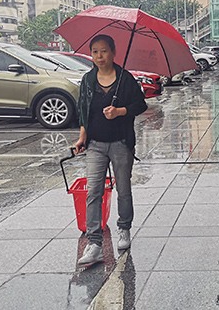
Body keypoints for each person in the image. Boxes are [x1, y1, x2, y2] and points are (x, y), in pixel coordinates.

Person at [74, 34, 147, 265]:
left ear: (113, 52)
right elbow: (84, 111)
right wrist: (82, 137)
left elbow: (140, 105)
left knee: (123, 189)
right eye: (95, 51)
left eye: (104, 51)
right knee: (93, 191)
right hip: (95, 144)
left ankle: (124, 228)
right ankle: (94, 242)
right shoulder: (87, 80)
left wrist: (120, 111)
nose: (99, 56)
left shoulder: (125, 79)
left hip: (121, 143)